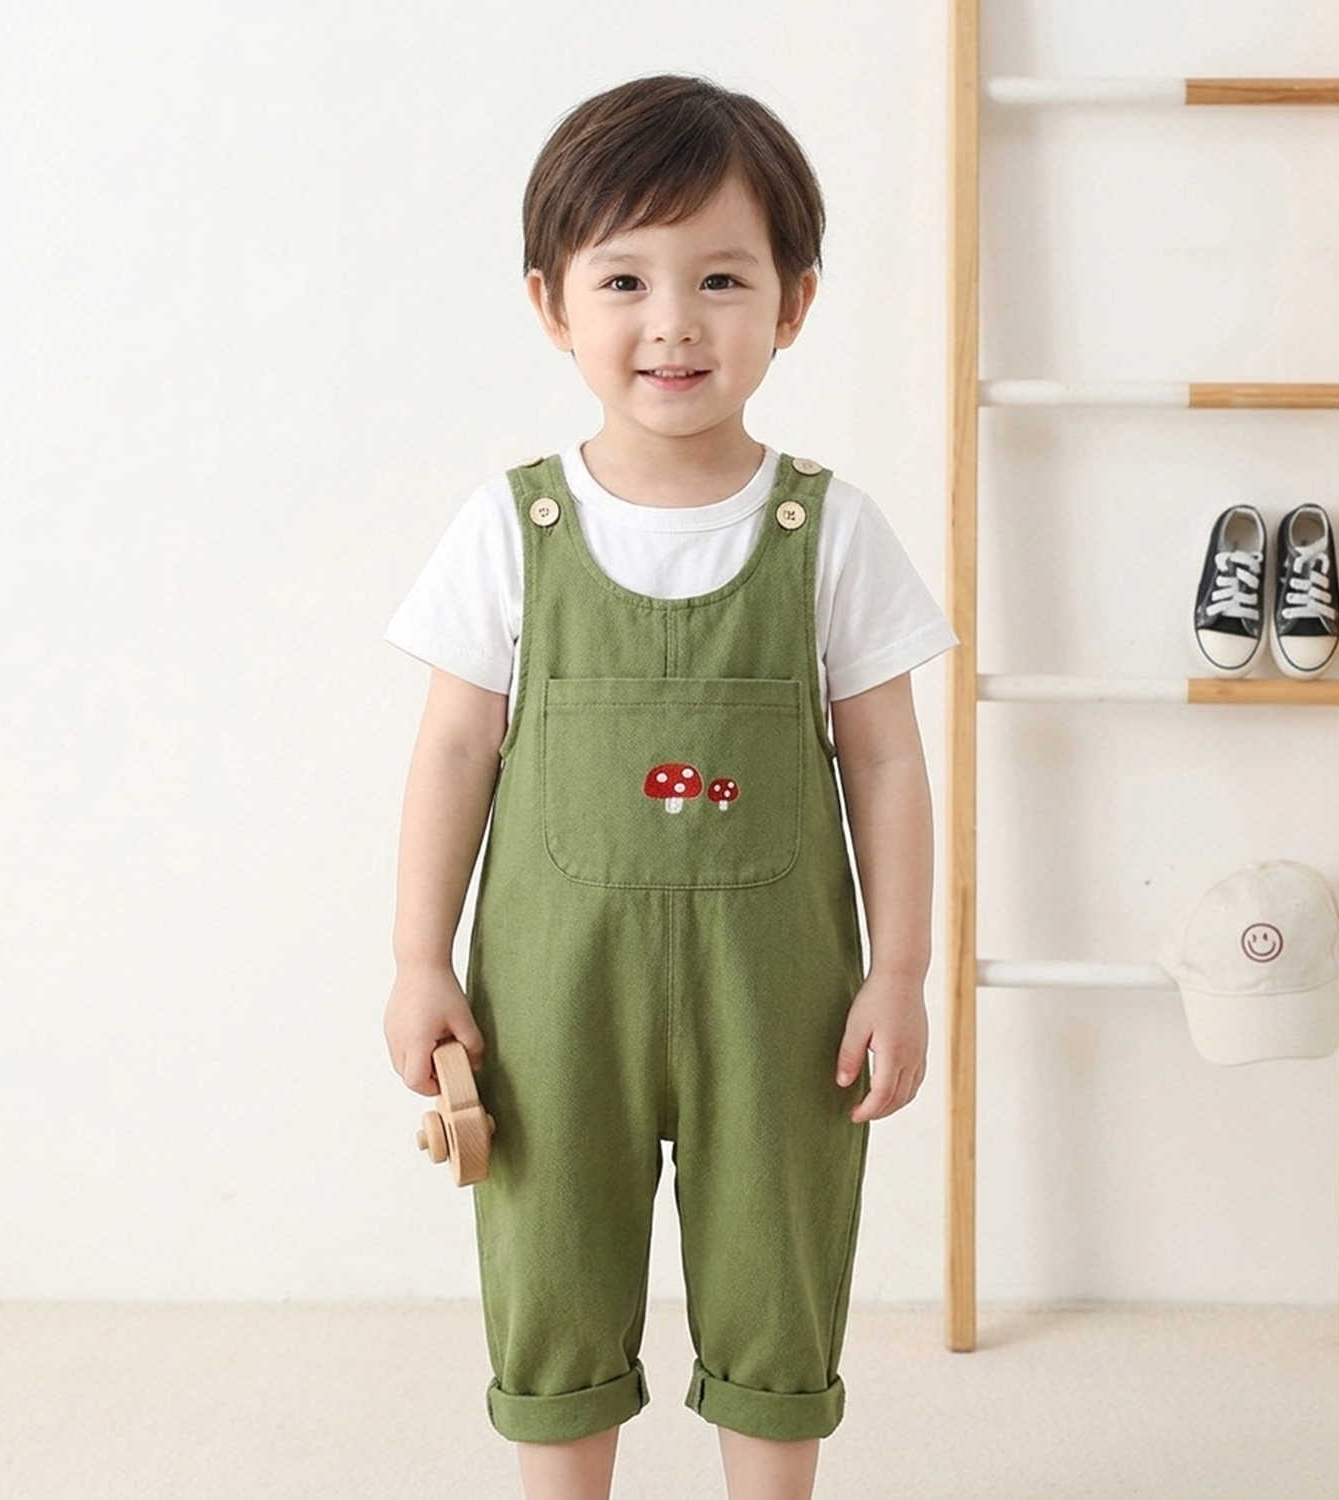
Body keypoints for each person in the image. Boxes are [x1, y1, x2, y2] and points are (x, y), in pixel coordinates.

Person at [382, 74, 957, 1500]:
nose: (675, 321)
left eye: (722, 278)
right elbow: (452, 750)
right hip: (549, 996)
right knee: (552, 1269)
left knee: (779, 1270)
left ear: (795, 302)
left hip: (782, 999)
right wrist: (417, 958)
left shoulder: (830, 530)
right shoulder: (510, 526)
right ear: (551, 303)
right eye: (625, 278)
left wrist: (900, 972)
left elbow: (888, 760)